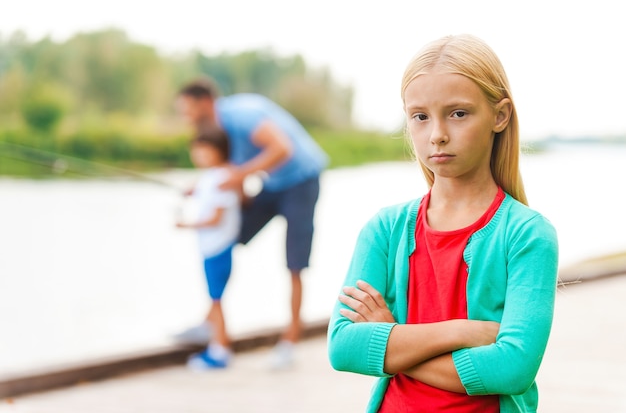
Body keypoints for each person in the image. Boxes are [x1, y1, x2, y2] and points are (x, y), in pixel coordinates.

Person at [327, 34, 559, 412]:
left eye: (458, 113)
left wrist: (393, 340)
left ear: (499, 116)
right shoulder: (384, 230)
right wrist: (461, 331)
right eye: (420, 116)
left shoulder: (527, 234)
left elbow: (511, 369)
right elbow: (343, 347)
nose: (437, 135)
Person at [177, 78, 329, 369]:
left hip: (302, 182)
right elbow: (233, 179)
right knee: (227, 235)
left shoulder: (241, 115)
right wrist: (206, 188)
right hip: (273, 184)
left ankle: (290, 341)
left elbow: (283, 149)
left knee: (294, 263)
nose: (186, 118)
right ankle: (212, 322)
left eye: (188, 111)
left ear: (205, 103)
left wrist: (240, 175)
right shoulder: (219, 131)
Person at [175, 124, 241, 369]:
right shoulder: (211, 177)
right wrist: (193, 192)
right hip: (211, 249)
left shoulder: (223, 178)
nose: (198, 156)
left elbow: (216, 218)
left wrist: (186, 225)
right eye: (196, 151)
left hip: (219, 250)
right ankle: (219, 341)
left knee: (216, 300)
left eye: (204, 151)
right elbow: (204, 190)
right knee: (214, 299)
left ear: (218, 151)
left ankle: (220, 351)